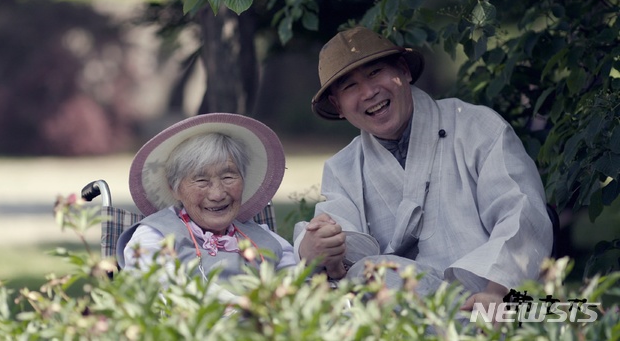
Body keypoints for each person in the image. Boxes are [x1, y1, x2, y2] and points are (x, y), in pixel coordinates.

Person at [294, 26, 553, 313]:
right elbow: (341, 245)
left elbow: (521, 214)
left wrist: (496, 292)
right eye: (349, 87)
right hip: (407, 309)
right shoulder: (343, 168)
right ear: (338, 105)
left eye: (375, 72)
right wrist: (317, 251)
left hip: (495, 299)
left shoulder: (478, 128)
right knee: (365, 276)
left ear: (403, 70)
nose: (368, 92)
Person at [117, 113, 295, 300]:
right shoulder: (154, 236)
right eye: (201, 180)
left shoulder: (264, 238)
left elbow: (297, 288)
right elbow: (169, 292)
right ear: (175, 189)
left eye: (228, 177)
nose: (217, 194)